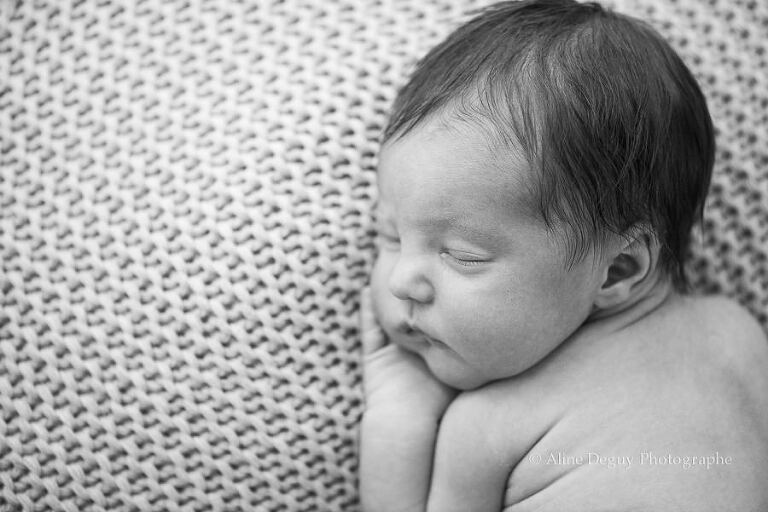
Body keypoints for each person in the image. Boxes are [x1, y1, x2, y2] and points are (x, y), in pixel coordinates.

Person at [357, 1, 768, 511]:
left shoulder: (491, 425)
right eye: (391, 236)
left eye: (463, 255)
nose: (401, 281)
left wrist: (398, 412)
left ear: (617, 270)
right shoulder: (739, 333)